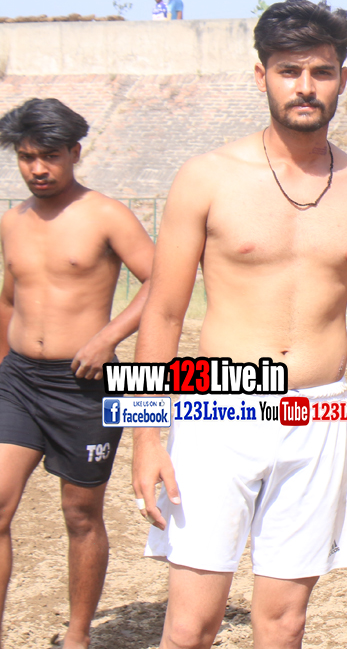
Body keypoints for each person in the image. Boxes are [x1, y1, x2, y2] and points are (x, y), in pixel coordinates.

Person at [131, 0, 347, 649]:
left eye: (321, 71)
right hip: (216, 408)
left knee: (284, 623)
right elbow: (164, 312)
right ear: (262, 75)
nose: (305, 86)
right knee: (190, 625)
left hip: (318, 413)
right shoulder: (206, 178)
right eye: (289, 70)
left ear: (342, 78)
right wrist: (146, 438)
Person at [0, 98, 155, 649]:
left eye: (50, 156)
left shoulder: (106, 215)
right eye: (27, 157)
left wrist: (108, 336)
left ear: (74, 153)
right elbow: (8, 299)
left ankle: (77, 636)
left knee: (80, 514)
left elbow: (163, 280)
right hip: (18, 381)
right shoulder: (11, 221)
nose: (38, 169)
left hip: (85, 388)